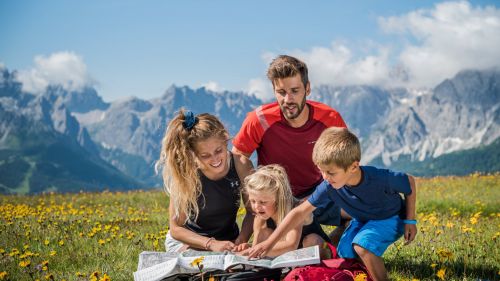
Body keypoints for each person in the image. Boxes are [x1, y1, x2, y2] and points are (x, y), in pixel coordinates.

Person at [247, 128, 417, 281]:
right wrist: (268, 244)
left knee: (361, 246)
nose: (325, 177)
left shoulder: (380, 178)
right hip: (363, 219)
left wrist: (410, 221)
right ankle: (360, 274)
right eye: (321, 170)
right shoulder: (329, 186)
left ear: (353, 166)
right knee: (344, 252)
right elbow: (299, 213)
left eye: (330, 172)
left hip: (390, 218)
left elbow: (409, 182)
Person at [232, 54, 349, 241]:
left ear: (307, 88)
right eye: (281, 92)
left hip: (318, 193)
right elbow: (239, 155)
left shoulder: (330, 118)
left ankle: (337, 244)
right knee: (289, 245)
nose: (288, 99)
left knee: (363, 209)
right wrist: (254, 198)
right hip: (277, 198)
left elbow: (346, 161)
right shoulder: (259, 119)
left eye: (295, 90)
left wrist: (318, 194)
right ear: (274, 90)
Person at [157, 110, 254, 252]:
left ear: (225, 140)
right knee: (200, 268)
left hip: (227, 240)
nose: (215, 159)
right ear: (193, 155)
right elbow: (176, 229)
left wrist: (241, 240)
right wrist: (210, 244)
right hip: (189, 243)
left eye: (218, 150)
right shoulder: (187, 173)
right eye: (205, 155)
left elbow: (253, 211)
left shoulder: (241, 165)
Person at [233, 164, 330, 257]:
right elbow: (257, 246)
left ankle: (317, 270)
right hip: (294, 257)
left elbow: (291, 245)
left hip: (321, 248)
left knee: (312, 240)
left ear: (278, 199)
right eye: (253, 201)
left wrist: (252, 251)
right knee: (265, 233)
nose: (257, 207)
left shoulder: (295, 209)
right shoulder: (260, 217)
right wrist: (249, 248)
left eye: (263, 202)